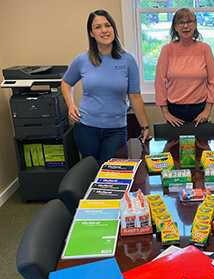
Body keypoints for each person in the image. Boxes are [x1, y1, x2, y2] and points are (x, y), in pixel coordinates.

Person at [61, 9, 150, 164]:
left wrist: (145, 126)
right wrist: (70, 105)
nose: (104, 30)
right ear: (91, 33)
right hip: (86, 128)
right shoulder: (82, 60)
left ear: (113, 28)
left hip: (116, 130)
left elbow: (135, 96)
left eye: (107, 25)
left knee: (111, 174)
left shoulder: (128, 60)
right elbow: (66, 82)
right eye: (98, 27)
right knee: (91, 172)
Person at [154, 7, 214, 127]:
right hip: (174, 110)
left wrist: (207, 110)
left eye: (189, 22)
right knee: (174, 145)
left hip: (200, 110)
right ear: (175, 26)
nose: (185, 26)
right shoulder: (167, 50)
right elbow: (160, 82)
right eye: (181, 22)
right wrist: (166, 112)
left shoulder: (205, 49)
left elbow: (213, 81)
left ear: (195, 25)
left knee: (200, 145)